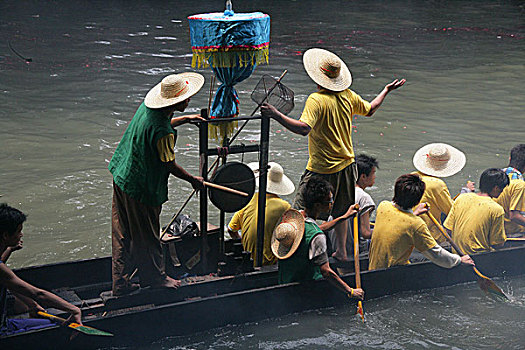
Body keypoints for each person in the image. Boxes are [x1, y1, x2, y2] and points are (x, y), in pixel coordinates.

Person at [261, 48, 406, 261]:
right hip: (347, 166)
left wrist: (276, 114)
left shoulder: (316, 100)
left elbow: (303, 128)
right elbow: (371, 108)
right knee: (341, 211)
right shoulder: (347, 95)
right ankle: (342, 253)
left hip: (322, 167)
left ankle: (292, 253)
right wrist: (385, 90)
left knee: (299, 212)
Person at [109, 73, 205, 296]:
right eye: (186, 99)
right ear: (174, 102)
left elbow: (154, 124)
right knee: (148, 236)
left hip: (122, 174)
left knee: (122, 233)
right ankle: (155, 278)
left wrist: (186, 119)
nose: (189, 101)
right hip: (140, 187)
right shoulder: (163, 133)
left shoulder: (148, 109)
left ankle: (120, 282)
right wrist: (194, 180)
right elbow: (169, 165)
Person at [271, 177, 364, 300]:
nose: (332, 203)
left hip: (284, 282)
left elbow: (316, 228)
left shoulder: (295, 220)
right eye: (329, 201)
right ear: (318, 205)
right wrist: (351, 291)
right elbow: (326, 271)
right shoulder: (318, 238)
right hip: (304, 291)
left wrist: (344, 217)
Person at [0, 203, 82, 335]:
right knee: (61, 329)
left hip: (5, 322)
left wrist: (32, 305)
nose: (21, 235)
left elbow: (9, 281)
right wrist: (74, 310)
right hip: (2, 331)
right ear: (5, 236)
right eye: (18, 231)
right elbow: (38, 294)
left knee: (54, 322)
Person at [369, 174, 474, 270]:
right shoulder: (416, 224)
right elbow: (436, 254)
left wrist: (413, 213)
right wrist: (459, 260)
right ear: (418, 200)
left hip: (374, 267)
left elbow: (400, 221)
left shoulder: (383, 206)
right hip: (396, 274)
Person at [228, 162, 295, 266]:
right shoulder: (285, 207)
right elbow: (290, 239)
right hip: (269, 263)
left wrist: (243, 244)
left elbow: (231, 229)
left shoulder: (249, 199)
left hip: (247, 260)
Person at [444, 168, 509, 255]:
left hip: (457, 253)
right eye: (502, 188)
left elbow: (448, 229)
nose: (502, 191)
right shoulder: (496, 209)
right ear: (496, 188)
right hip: (478, 257)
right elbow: (497, 244)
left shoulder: (462, 198)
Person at [412, 143, 466, 245]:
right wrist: (466, 194)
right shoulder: (437, 185)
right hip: (428, 235)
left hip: (409, 228)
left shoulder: (411, 176)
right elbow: (451, 212)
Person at [329, 153, 378, 258]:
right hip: (353, 250)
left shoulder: (340, 190)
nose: (375, 176)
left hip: (335, 245)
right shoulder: (365, 198)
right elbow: (366, 233)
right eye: (373, 173)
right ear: (363, 177)